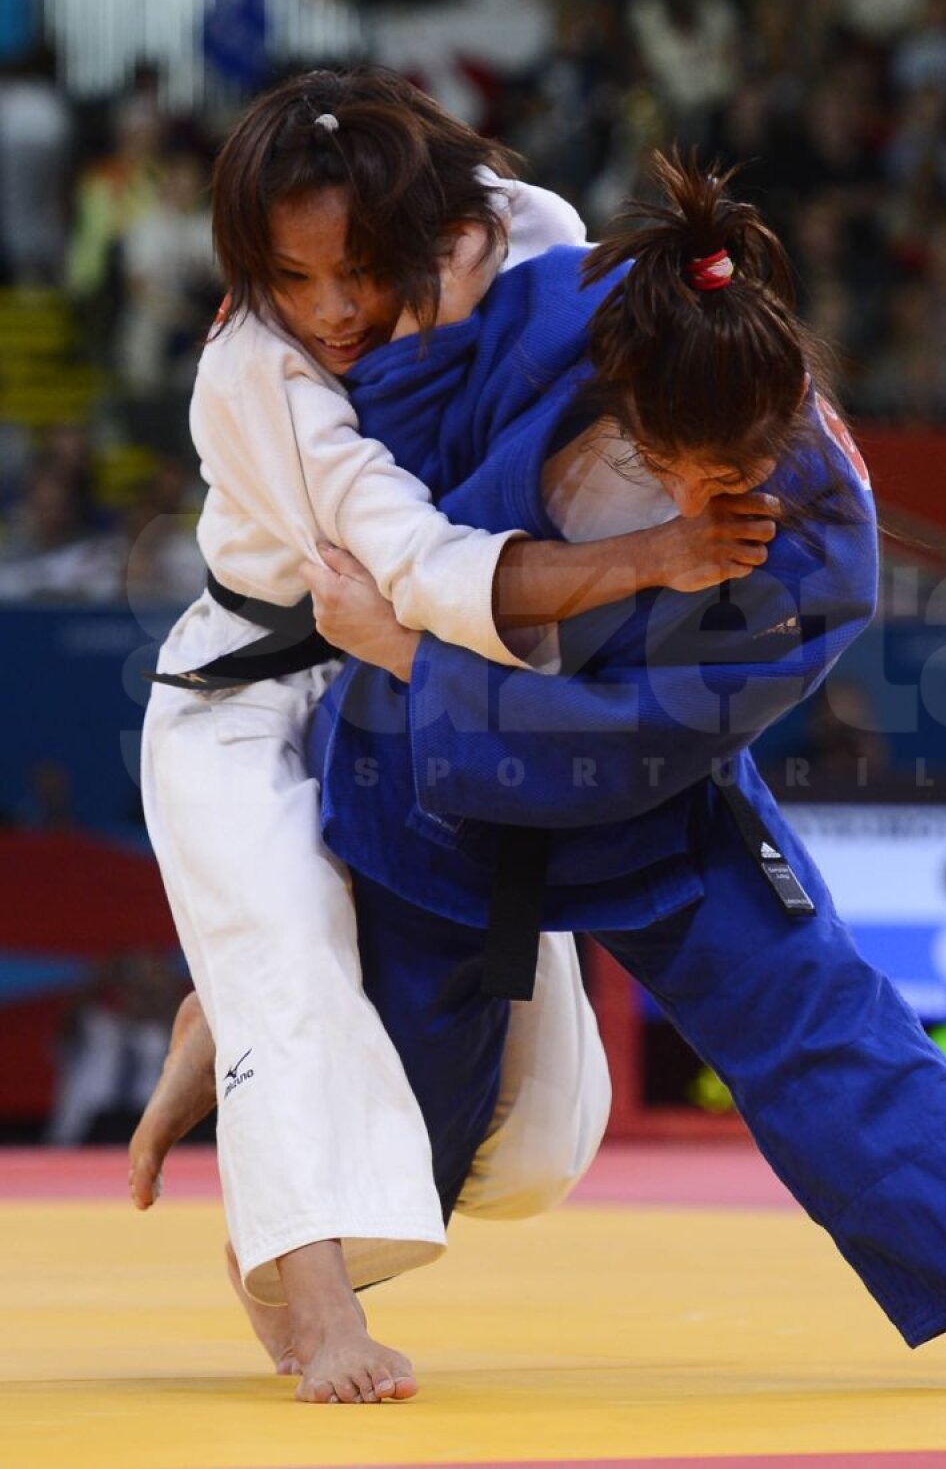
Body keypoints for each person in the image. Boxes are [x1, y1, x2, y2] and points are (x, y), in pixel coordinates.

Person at [303, 151, 946, 1398]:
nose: (706, 498)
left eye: (734, 474)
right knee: (412, 1116)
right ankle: (305, 1281)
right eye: (680, 465)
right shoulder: (570, 316)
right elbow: (397, 443)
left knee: (816, 1007)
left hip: (646, 796)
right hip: (430, 775)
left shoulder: (824, 543)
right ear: (622, 380)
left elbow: (630, 737)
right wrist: (384, 327)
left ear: (788, 405)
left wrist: (403, 648)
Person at [134, 70, 778, 1405]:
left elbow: (648, 331)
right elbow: (415, 563)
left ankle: (225, 1014)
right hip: (253, 697)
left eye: (358, 269)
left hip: (428, 691)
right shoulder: (255, 369)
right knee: (288, 962)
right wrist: (661, 555)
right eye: (291, 277)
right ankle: (313, 1310)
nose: (335, 313)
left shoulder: (524, 229)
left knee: (535, 1146)